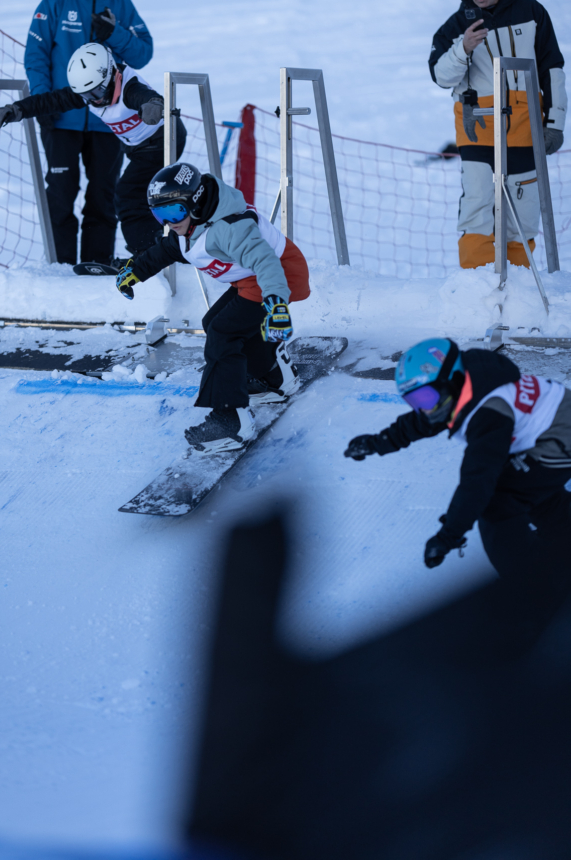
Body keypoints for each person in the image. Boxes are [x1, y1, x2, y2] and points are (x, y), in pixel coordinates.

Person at [344, 338, 571, 602]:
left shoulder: (488, 412)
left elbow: (477, 482)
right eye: (415, 401)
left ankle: (533, 589)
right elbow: (422, 423)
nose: (424, 409)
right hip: (548, 430)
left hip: (560, 438)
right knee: (528, 487)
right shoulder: (463, 385)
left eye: (426, 398)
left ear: (451, 379)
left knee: (498, 504)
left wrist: (448, 536)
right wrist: (376, 443)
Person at [114, 162, 311, 453]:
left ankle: (231, 421)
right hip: (251, 279)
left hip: (276, 277)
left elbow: (266, 261)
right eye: (160, 215)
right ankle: (273, 377)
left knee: (223, 332)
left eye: (174, 212)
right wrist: (136, 270)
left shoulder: (229, 228)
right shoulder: (191, 225)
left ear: (195, 202)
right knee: (214, 322)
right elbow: (168, 249)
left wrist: (277, 304)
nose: (169, 222)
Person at [429, 0, 566, 269]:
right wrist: (463, 48)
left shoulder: (531, 12)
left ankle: (520, 282)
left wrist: (555, 122)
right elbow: (440, 76)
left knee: (523, 209)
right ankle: (477, 284)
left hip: (525, 125)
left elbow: (552, 69)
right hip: (476, 127)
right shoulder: (456, 26)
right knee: (477, 204)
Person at [24, 0, 154, 265]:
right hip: (62, 119)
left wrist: (115, 34)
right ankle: (60, 266)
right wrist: (42, 100)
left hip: (108, 120)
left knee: (103, 194)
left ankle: (97, 264)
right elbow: (36, 55)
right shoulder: (55, 2)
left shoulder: (122, 6)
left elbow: (142, 54)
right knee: (60, 193)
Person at [0, 42, 186, 260]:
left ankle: (149, 254)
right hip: (139, 148)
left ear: (112, 74)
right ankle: (158, 247)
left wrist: (154, 105)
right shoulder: (91, 93)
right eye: (86, 95)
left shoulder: (129, 88)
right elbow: (52, 100)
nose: (95, 100)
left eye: (98, 91)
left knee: (127, 195)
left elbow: (147, 96)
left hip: (163, 142)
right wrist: (16, 110)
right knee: (140, 196)